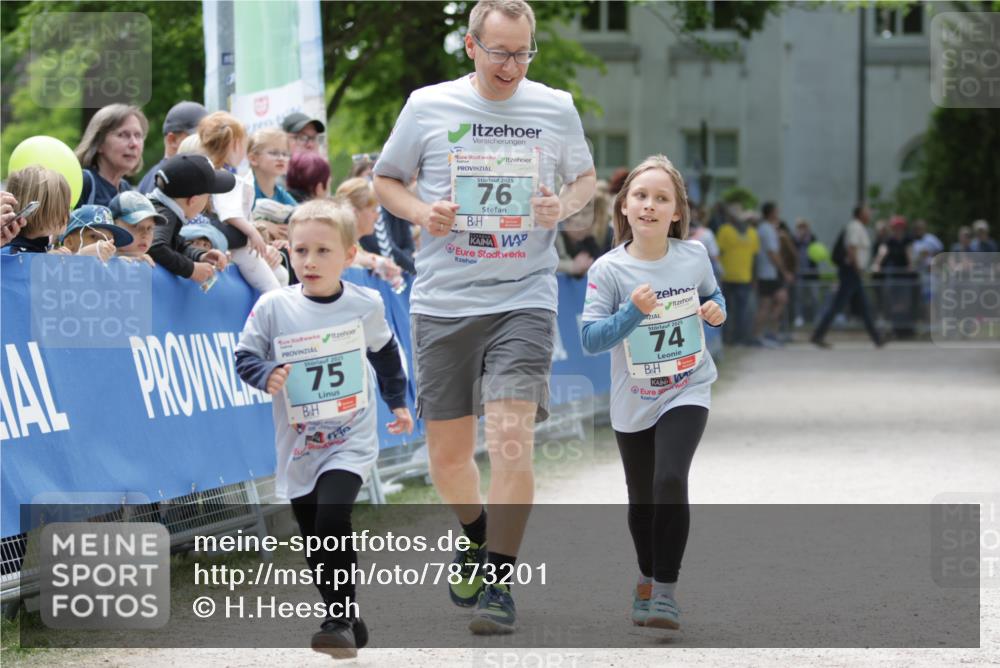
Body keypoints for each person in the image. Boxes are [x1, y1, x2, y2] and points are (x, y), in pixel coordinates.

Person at [372, 0, 596, 635]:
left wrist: (563, 205)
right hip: (443, 302)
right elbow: (386, 181)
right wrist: (422, 214)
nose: (513, 66)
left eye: (524, 52)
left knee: (510, 439)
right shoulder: (427, 106)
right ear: (470, 47)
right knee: (447, 459)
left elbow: (585, 179)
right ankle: (474, 533)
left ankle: (499, 580)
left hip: (524, 294)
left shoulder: (554, 106)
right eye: (500, 52)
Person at [234, 198, 413, 658]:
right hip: (299, 443)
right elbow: (245, 356)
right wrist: (266, 373)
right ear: (288, 252)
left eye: (323, 251)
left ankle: (336, 621)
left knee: (334, 518)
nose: (309, 262)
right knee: (314, 534)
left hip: (351, 436)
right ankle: (347, 616)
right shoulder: (274, 306)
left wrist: (398, 402)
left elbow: (386, 353)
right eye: (300, 251)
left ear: (350, 256)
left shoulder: (365, 303)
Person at [580, 155, 725, 631]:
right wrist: (632, 314)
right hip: (633, 398)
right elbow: (590, 339)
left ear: (677, 213)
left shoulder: (694, 255)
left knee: (669, 481)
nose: (649, 205)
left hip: (688, 385)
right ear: (624, 207)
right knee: (642, 501)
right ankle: (646, 576)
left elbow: (713, 295)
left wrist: (714, 310)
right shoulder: (608, 270)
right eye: (641, 196)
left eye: (661, 198)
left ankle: (665, 591)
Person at [199, 111, 288, 291]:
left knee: (281, 275)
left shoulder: (216, 174)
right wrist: (253, 233)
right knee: (272, 289)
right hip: (240, 250)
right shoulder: (224, 178)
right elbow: (230, 214)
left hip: (237, 246)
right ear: (235, 144)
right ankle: (271, 316)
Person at [147, 154, 233, 287]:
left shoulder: (164, 208)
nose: (209, 201)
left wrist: (200, 256)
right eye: (208, 196)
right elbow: (155, 247)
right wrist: (191, 269)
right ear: (193, 201)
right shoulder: (165, 214)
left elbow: (175, 244)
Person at [811, 204, 883, 348]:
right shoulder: (855, 227)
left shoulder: (858, 227)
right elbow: (852, 248)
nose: (869, 214)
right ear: (860, 214)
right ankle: (818, 335)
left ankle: (877, 338)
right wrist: (857, 268)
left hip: (853, 272)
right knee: (838, 305)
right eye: (867, 211)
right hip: (851, 271)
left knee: (863, 307)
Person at [334, 178, 405, 290]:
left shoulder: (354, 246)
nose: (377, 217)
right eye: (373, 210)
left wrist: (376, 261)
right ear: (355, 213)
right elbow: (341, 255)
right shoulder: (335, 245)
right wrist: (374, 262)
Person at [74, 104, 148, 207]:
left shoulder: (126, 189)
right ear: (99, 143)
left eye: (138, 135)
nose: (134, 144)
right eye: (122, 135)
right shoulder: (83, 183)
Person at [137, 101, 209, 194]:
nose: (206, 143)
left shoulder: (157, 176)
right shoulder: (168, 179)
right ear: (172, 140)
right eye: (199, 137)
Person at [1, 166, 72, 255]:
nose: (68, 212)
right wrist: (43, 261)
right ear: (42, 211)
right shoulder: (8, 255)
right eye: (64, 206)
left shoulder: (45, 247)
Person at [716, 208, 759, 345]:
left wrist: (754, 277)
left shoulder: (728, 230)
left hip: (737, 278)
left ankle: (733, 338)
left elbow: (754, 257)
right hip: (731, 277)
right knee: (736, 310)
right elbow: (718, 253)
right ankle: (733, 338)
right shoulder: (727, 230)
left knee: (734, 310)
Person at [752, 202, 792, 347]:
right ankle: (762, 334)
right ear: (770, 213)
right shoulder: (767, 229)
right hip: (768, 273)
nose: (778, 214)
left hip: (767, 273)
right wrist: (784, 271)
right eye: (776, 211)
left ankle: (768, 333)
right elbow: (772, 253)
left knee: (774, 302)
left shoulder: (765, 228)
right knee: (769, 303)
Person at [58, 205, 133, 262]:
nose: (102, 244)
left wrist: (122, 266)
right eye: (93, 236)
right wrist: (81, 255)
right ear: (69, 243)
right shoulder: (57, 266)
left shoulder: (109, 273)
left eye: (108, 240)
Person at [109, 191, 164, 265]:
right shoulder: (95, 258)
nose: (145, 234)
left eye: (150, 228)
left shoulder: (147, 263)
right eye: (136, 226)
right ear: (113, 225)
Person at [248, 127, 298, 208]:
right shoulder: (245, 191)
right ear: (253, 159)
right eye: (274, 153)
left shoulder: (281, 193)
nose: (281, 158)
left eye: (285, 154)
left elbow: (299, 215)